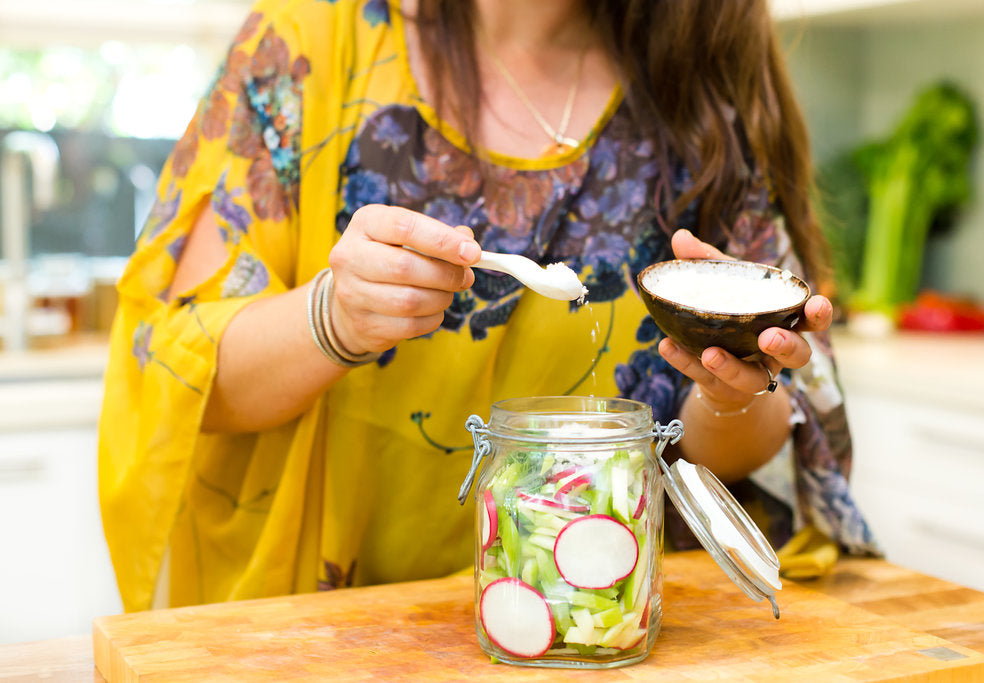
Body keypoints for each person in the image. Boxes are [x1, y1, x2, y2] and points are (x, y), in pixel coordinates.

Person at [98, 0, 878, 612]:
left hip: (606, 619)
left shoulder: (700, 93)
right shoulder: (307, 43)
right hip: (343, 636)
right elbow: (181, 371)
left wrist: (729, 393)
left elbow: (738, 450)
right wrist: (330, 320)